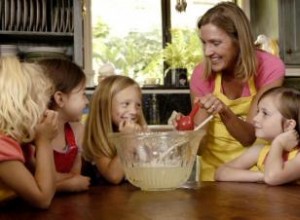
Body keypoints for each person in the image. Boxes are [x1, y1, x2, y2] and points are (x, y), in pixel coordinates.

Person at [189, 2, 285, 181]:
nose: (208, 52)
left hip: (256, 172)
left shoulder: (269, 68)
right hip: (212, 177)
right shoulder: (201, 74)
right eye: (204, 43)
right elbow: (199, 148)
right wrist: (186, 130)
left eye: (215, 43)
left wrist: (224, 111)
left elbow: (249, 137)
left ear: (239, 40)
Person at [0, 56, 58, 208]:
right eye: (44, 104)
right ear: (26, 107)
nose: (47, 111)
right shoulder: (2, 147)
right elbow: (42, 198)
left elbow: (43, 181)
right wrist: (44, 141)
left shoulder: (17, 143)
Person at [215, 87, 300, 185]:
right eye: (257, 111)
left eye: (265, 113)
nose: (255, 118)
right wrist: (260, 176)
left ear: (289, 125)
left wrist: (278, 143)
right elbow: (220, 173)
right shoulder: (260, 151)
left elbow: (272, 177)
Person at [82, 75, 147, 185]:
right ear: (105, 107)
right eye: (126, 104)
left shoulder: (139, 133)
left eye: (138, 105)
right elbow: (114, 177)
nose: (134, 111)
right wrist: (127, 141)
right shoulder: (97, 140)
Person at [38, 58, 90, 192]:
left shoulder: (77, 131)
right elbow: (37, 183)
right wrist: (66, 186)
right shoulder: (35, 134)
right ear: (60, 98)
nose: (87, 101)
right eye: (83, 94)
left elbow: (75, 175)